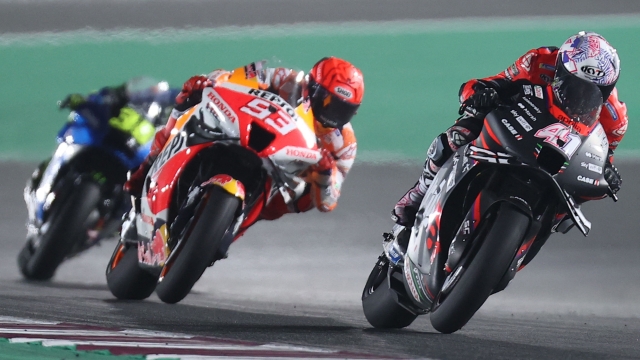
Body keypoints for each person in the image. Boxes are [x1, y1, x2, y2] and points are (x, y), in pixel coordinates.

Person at [392, 31, 627, 227]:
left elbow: (602, 157)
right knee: (460, 133)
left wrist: (607, 173)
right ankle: (419, 192)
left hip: (561, 157)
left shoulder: (615, 119)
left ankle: (528, 238)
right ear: (560, 69)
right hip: (519, 126)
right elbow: (494, 82)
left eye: (593, 92)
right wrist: (482, 94)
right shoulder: (539, 61)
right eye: (575, 85)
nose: (581, 96)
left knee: (569, 210)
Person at [122, 57, 364, 237]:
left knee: (307, 197)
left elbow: (329, 200)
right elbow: (230, 78)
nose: (333, 114)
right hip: (241, 133)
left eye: (344, 109)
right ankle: (150, 165)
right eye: (329, 101)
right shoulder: (283, 78)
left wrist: (323, 173)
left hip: (280, 175)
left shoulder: (345, 144)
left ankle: (228, 227)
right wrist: (207, 83)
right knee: (189, 101)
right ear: (313, 87)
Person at [28, 77, 179, 191]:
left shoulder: (172, 114)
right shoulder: (138, 97)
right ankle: (47, 176)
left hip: (135, 153)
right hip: (110, 134)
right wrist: (92, 101)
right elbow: (107, 95)